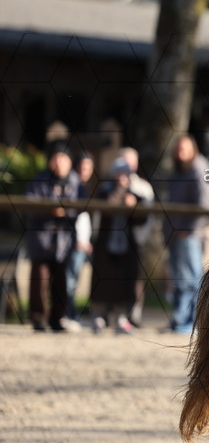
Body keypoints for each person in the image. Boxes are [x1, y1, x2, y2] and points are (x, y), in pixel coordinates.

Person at [23, 141, 82, 332]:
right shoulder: (40, 180)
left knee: (61, 282)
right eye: (56, 158)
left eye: (63, 158)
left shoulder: (75, 182)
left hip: (64, 240)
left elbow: (83, 205)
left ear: (69, 161)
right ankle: (38, 318)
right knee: (39, 280)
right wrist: (50, 210)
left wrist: (66, 211)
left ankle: (58, 318)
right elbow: (29, 204)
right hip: (42, 238)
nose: (59, 162)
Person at [89, 158, 146, 334]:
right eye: (119, 173)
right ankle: (99, 317)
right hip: (105, 247)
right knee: (102, 283)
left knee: (124, 284)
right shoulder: (104, 192)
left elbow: (143, 218)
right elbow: (101, 209)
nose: (122, 177)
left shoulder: (134, 196)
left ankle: (121, 318)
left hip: (126, 248)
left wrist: (133, 207)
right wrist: (115, 199)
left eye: (125, 174)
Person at [164, 135, 209, 334]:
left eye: (184, 148)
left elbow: (204, 204)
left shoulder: (199, 168)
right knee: (179, 277)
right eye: (178, 149)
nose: (180, 152)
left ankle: (190, 319)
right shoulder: (178, 170)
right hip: (174, 233)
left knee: (190, 278)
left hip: (188, 233)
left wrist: (189, 229)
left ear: (193, 149)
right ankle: (180, 317)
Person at [117, 147, 155, 327]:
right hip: (116, 241)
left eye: (129, 161)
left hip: (137, 239)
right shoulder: (112, 185)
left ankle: (134, 314)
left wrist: (141, 237)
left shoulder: (143, 187)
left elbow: (150, 216)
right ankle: (116, 314)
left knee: (136, 278)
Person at [65, 151, 96, 322]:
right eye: (83, 167)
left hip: (82, 242)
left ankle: (70, 314)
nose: (85, 171)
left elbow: (83, 217)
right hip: (74, 242)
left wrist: (86, 240)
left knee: (73, 279)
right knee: (69, 280)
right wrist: (79, 240)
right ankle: (68, 314)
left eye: (89, 168)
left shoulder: (82, 186)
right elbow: (74, 215)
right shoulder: (73, 185)